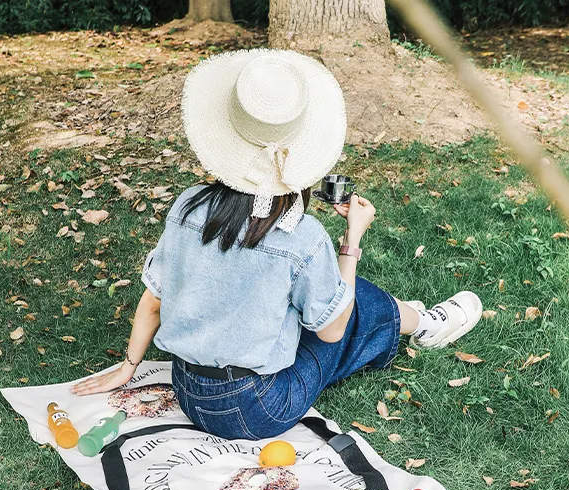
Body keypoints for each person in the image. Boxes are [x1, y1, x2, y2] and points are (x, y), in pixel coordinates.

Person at [72, 49, 483, 440]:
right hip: (260, 407)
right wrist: (352, 239)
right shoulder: (302, 238)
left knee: (333, 300)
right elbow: (332, 329)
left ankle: (407, 316)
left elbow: (154, 300)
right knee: (354, 308)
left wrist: (129, 366)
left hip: (189, 389)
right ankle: (422, 324)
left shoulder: (187, 206)